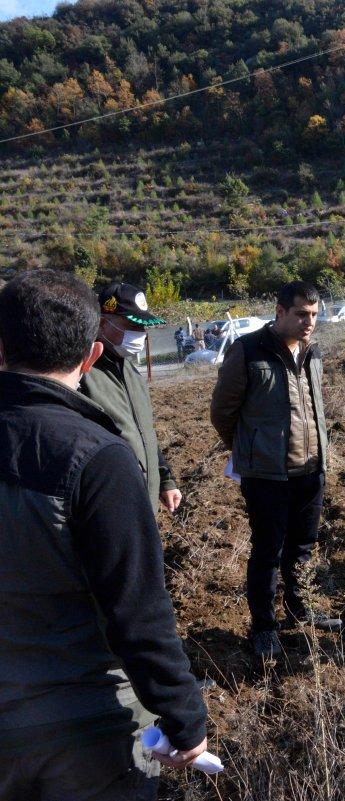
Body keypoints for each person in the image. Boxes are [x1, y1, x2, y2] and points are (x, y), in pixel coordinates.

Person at [0, 270, 209, 801]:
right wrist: (183, 714)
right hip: (86, 728)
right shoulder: (96, 459)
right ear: (91, 355)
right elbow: (137, 609)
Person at [210, 280, 341, 660]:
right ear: (280, 311)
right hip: (267, 476)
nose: (309, 322)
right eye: (301, 314)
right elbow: (222, 412)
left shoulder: (313, 353)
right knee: (268, 552)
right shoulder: (248, 350)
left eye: (314, 315)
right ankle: (264, 627)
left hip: (311, 470)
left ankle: (300, 610)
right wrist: (251, 451)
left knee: (302, 548)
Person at [81, 283, 182, 514]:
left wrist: (165, 479)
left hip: (143, 501)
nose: (141, 334)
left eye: (143, 327)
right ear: (102, 323)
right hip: (109, 505)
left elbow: (144, 433)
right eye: (133, 326)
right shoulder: (83, 374)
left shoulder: (131, 372)